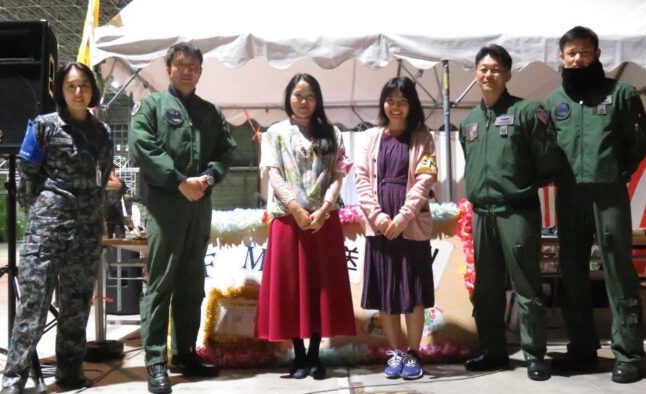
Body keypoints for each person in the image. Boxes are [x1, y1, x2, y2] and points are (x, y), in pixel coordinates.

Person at [544, 26, 646, 384]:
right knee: (572, 273)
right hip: (570, 195)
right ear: (562, 57)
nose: (578, 58)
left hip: (608, 194)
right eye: (571, 53)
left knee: (618, 271)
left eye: (584, 52)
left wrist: (621, 172)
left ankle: (629, 354)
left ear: (597, 54)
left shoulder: (620, 94)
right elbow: (546, 149)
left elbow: (639, 140)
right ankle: (583, 349)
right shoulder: (553, 101)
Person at [130, 42, 237, 394]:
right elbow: (142, 145)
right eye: (180, 64)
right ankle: (156, 360)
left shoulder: (209, 112)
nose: (187, 70)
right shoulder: (152, 105)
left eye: (194, 65)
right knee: (161, 282)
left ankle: (186, 354)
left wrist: (206, 178)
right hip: (164, 206)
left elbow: (225, 151)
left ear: (201, 71)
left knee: (192, 281)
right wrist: (178, 181)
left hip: (199, 205)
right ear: (169, 68)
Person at [0, 62, 113, 393]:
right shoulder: (43, 127)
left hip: (87, 232)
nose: (79, 92)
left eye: (84, 86)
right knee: (32, 308)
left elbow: (103, 176)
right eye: (71, 86)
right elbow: (26, 177)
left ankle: (70, 372)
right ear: (61, 91)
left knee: (76, 307)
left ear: (93, 90)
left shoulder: (102, 133)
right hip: (47, 232)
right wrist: (41, 212)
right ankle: (13, 380)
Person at [459, 45, 559, 381]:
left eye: (496, 69)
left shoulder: (527, 112)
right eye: (483, 69)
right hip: (482, 215)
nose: (489, 75)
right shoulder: (470, 122)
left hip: (516, 213)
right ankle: (493, 351)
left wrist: (519, 188)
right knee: (486, 288)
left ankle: (534, 354)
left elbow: (547, 163)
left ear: (508, 75)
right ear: (476, 74)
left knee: (526, 286)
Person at [255, 73, 356, 380]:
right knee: (291, 288)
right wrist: (296, 209)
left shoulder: (333, 133)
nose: (303, 101)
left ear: (318, 100)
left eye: (309, 96)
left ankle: (315, 355)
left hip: (323, 222)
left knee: (319, 286)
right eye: (298, 95)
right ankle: (297, 355)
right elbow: (273, 174)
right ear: (288, 97)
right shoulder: (275, 133)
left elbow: (339, 174)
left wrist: (325, 209)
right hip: (289, 221)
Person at [355, 77, 437, 380]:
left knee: (413, 292)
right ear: (383, 104)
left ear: (412, 104)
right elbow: (361, 180)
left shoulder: (423, 137)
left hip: (411, 225)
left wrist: (402, 218)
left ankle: (414, 353)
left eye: (403, 100)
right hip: (380, 228)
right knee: (387, 293)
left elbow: (424, 181)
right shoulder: (370, 138)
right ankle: (396, 353)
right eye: (390, 100)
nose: (396, 106)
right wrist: (378, 218)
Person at [104, 169, 133, 238]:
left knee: (121, 238)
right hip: (106, 216)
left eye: (112, 171)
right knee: (107, 241)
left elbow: (126, 198)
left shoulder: (120, 182)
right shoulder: (102, 183)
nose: (111, 173)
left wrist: (129, 215)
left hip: (118, 215)